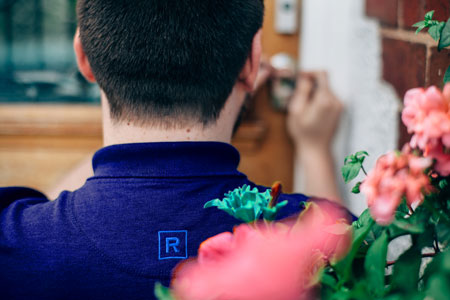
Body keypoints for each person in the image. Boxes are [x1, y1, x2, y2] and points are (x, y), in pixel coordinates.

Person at [0, 1, 343, 299]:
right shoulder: (321, 237)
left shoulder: (13, 241)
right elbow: (343, 262)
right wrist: (315, 151)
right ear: (252, 63)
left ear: (83, 56)